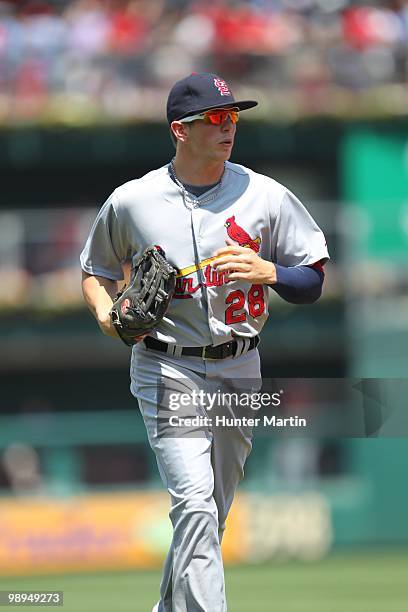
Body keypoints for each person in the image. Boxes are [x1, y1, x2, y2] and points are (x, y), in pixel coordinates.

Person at [80, 72, 329, 612]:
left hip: (241, 366)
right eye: (214, 118)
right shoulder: (133, 201)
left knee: (210, 513)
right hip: (167, 367)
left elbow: (312, 279)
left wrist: (271, 272)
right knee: (193, 505)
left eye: (232, 116)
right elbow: (96, 269)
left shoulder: (265, 194)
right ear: (180, 130)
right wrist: (106, 315)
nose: (227, 127)